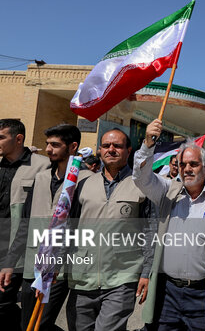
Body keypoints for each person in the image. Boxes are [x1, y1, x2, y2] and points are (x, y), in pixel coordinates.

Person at [134, 119, 205, 330]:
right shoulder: (167, 192)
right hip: (167, 293)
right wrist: (148, 145)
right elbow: (141, 178)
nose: (187, 169)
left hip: (202, 295)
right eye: (182, 164)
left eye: (193, 164)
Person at [0, 124, 88, 330]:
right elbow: (25, 223)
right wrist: (10, 262)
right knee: (26, 324)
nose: (48, 149)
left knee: (41, 323)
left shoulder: (86, 181)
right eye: (48, 144)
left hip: (59, 268)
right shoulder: (41, 177)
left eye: (55, 145)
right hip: (33, 263)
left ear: (73, 146)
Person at [65, 128, 153, 331]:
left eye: (117, 146)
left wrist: (146, 272)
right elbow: (70, 227)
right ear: (99, 150)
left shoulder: (142, 186)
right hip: (82, 279)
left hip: (122, 279)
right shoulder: (83, 184)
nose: (111, 150)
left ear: (128, 151)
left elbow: (150, 232)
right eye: (106, 146)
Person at [0, 119, 49, 329]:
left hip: (20, 249)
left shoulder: (42, 166)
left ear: (18, 139)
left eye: (1, 137)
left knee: (6, 302)